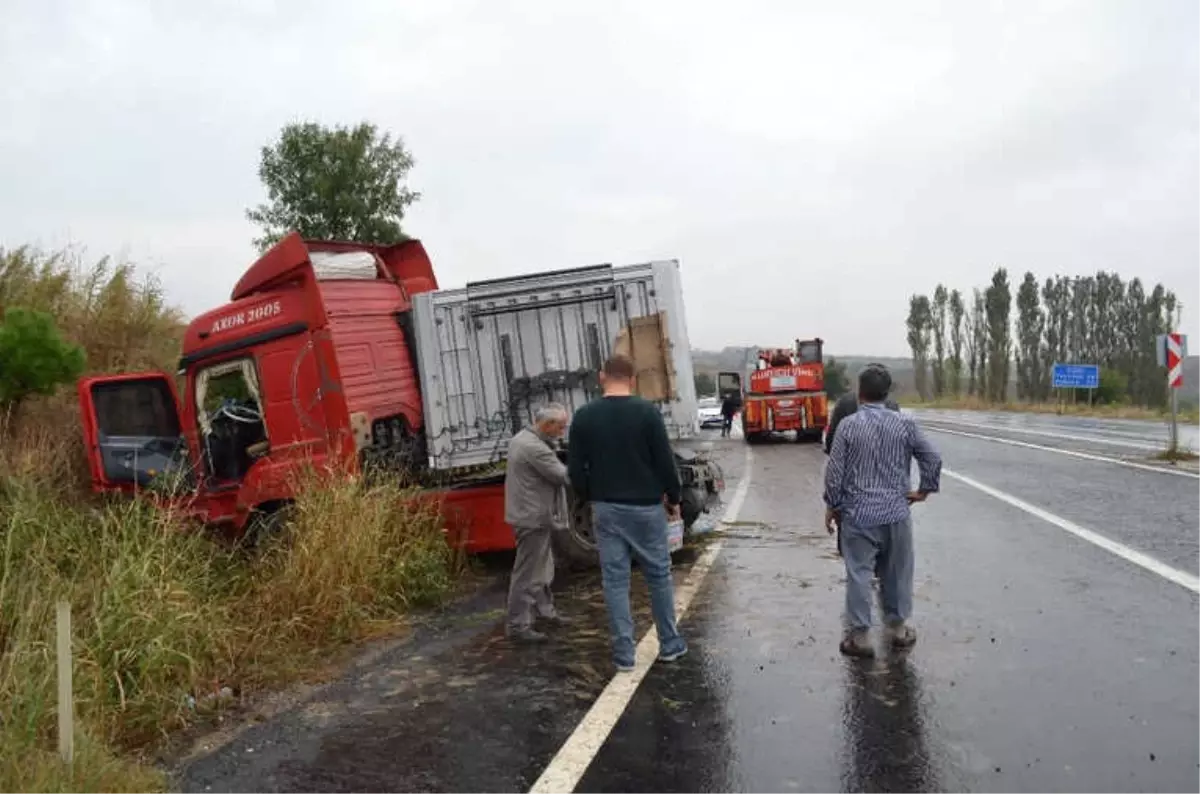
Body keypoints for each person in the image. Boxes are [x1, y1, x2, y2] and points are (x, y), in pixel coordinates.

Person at [568, 354, 688, 672]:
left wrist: (590, 495)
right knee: (659, 576)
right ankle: (670, 644)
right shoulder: (647, 413)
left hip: (606, 508)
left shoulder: (584, 416)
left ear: (601, 376)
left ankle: (624, 655)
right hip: (646, 507)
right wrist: (674, 496)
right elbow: (664, 461)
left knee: (615, 580)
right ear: (633, 380)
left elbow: (575, 470)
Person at [823, 364, 942, 658]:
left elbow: (835, 472)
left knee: (859, 573)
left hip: (859, 516)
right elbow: (932, 458)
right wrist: (924, 490)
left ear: (859, 393)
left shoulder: (848, 426)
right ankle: (899, 630)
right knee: (897, 572)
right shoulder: (905, 424)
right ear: (887, 393)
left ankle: (861, 638)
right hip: (896, 514)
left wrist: (832, 505)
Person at [504, 403, 572, 643]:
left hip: (530, 515)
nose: (562, 432)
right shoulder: (534, 448)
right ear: (547, 425)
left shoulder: (521, 438)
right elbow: (563, 476)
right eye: (561, 427)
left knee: (542, 566)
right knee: (527, 571)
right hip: (532, 518)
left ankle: (545, 612)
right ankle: (518, 625)